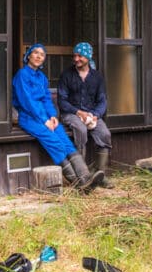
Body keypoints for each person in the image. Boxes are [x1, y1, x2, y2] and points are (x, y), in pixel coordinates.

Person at [12, 43, 103, 192]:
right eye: (35, 53)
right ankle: (78, 184)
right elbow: (27, 101)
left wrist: (53, 116)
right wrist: (44, 120)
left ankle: (85, 177)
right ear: (28, 55)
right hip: (29, 117)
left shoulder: (42, 77)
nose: (38, 56)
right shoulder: (22, 75)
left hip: (46, 117)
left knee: (64, 139)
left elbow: (47, 99)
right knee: (54, 141)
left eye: (42, 55)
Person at [57, 42, 114, 189]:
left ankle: (101, 175)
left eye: (80, 56)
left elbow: (102, 101)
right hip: (71, 113)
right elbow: (62, 101)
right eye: (75, 55)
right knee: (80, 129)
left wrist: (95, 115)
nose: (76, 59)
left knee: (105, 134)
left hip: (91, 114)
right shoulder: (66, 75)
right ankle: (83, 176)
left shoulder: (97, 77)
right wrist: (78, 112)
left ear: (88, 57)